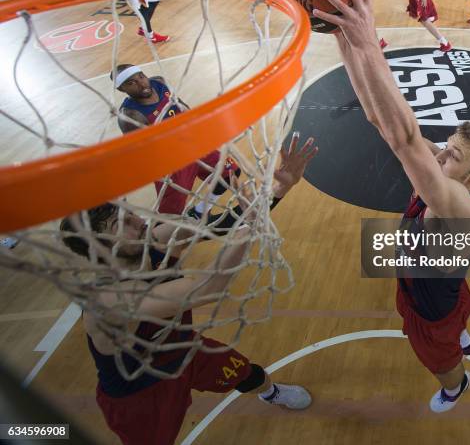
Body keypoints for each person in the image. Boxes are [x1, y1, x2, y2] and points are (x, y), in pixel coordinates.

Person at [311, 0, 470, 413]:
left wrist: (367, 39)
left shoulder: (461, 208)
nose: (440, 155)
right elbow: (382, 121)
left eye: (453, 155)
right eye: (448, 144)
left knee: (439, 357)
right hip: (444, 288)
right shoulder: (450, 178)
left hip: (429, 308)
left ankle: (457, 384)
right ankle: (465, 336)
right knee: (459, 307)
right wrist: (344, 40)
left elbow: (404, 139)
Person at [59, 134, 317, 445]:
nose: (136, 218)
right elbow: (211, 285)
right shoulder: (111, 299)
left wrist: (280, 188)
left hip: (184, 350)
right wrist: (251, 225)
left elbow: (224, 225)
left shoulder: (153, 239)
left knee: (246, 372)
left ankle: (271, 393)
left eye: (127, 211)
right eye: (121, 224)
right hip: (141, 393)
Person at [112, 64, 238, 218]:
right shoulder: (130, 116)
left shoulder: (160, 83)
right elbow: (144, 154)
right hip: (172, 165)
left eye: (141, 76)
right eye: (131, 83)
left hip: (194, 145)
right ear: (121, 89)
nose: (142, 83)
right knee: (170, 216)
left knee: (230, 173)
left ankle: (200, 211)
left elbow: (180, 105)